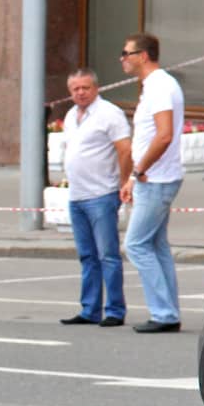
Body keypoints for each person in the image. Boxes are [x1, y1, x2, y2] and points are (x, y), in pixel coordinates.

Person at [118, 33, 185, 333]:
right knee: (156, 245)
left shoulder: (159, 86)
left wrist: (137, 170)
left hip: (155, 178)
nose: (123, 58)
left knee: (135, 244)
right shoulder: (159, 85)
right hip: (158, 176)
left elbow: (164, 134)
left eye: (126, 53)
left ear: (143, 55)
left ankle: (163, 313)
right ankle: (168, 311)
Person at [59, 68, 132, 328]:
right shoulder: (70, 116)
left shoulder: (109, 114)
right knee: (87, 256)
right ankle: (90, 309)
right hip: (76, 196)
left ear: (96, 88)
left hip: (101, 194)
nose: (80, 93)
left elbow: (124, 150)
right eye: (75, 89)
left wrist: (124, 182)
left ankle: (114, 310)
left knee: (108, 255)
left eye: (85, 88)